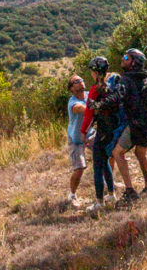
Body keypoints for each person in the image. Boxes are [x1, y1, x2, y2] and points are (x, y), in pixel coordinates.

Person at [97, 48, 147, 207]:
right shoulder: (146, 78)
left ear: (133, 62)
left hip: (135, 124)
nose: (122, 59)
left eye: (125, 57)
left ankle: (129, 191)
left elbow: (116, 98)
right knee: (140, 153)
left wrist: (100, 104)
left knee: (117, 153)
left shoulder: (126, 79)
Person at [80, 56, 118, 214]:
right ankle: (111, 194)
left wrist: (83, 132)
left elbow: (89, 113)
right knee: (105, 162)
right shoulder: (111, 85)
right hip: (112, 128)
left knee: (97, 165)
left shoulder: (96, 89)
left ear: (96, 72)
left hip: (102, 129)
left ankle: (99, 202)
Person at [66, 73, 91, 208]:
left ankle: (108, 183)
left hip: (90, 134)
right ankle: (72, 195)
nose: (80, 81)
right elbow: (82, 109)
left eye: (81, 79)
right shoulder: (73, 102)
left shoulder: (89, 95)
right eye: (76, 81)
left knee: (108, 154)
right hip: (76, 139)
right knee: (79, 168)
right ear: (71, 88)